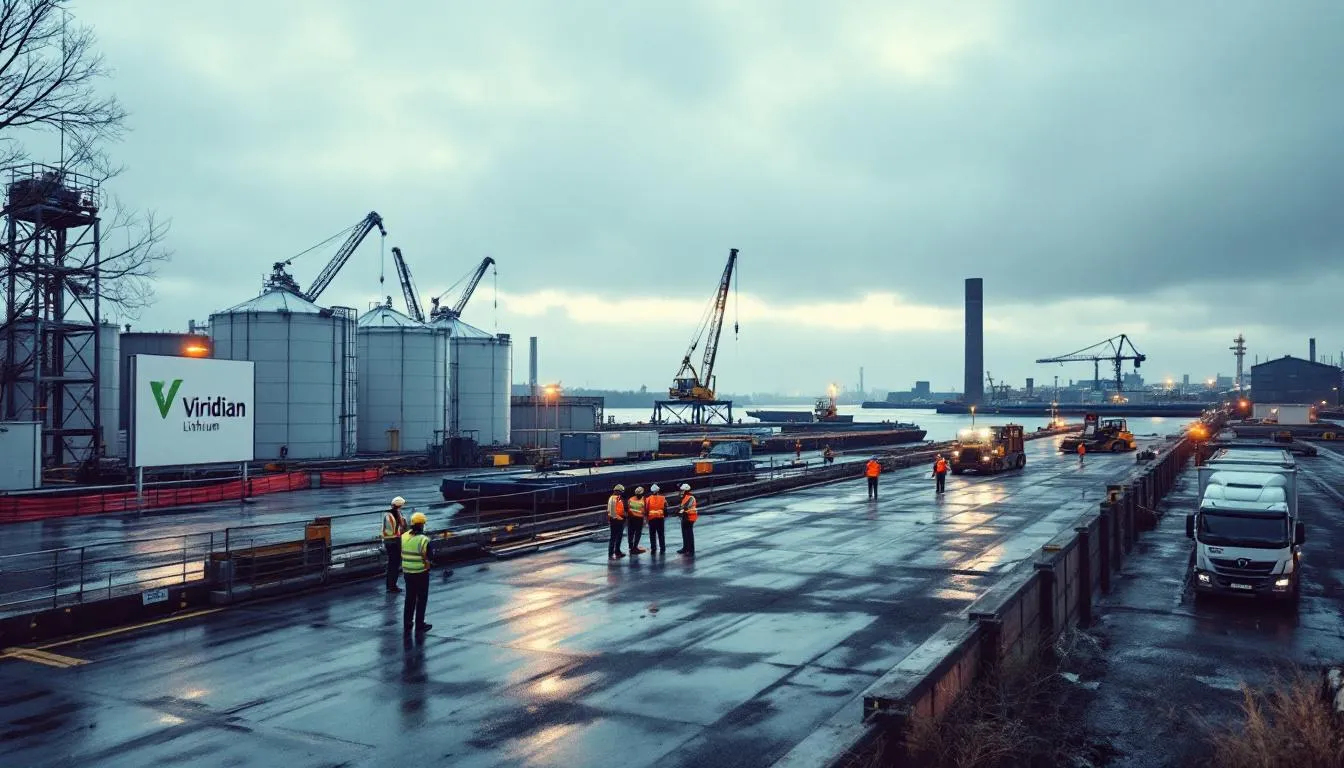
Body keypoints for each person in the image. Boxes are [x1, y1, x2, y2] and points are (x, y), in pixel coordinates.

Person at [400, 512, 433, 636]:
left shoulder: (403, 537)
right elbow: (430, 556)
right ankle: (420, 624)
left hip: (407, 572)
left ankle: (407, 623)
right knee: (421, 599)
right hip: (421, 572)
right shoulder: (424, 540)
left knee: (409, 598)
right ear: (422, 525)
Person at [381, 496, 408, 593]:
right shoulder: (393, 515)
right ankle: (392, 586)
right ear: (399, 505)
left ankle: (391, 585)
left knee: (392, 564)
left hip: (390, 541)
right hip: (393, 541)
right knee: (394, 564)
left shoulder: (389, 514)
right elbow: (396, 530)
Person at [646, 484, 667, 554]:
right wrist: (665, 515)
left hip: (651, 519)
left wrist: (646, 518)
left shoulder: (648, 499)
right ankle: (662, 548)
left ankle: (653, 548)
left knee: (652, 534)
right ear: (658, 491)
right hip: (660, 518)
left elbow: (646, 509)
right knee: (661, 534)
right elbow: (665, 507)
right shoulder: (663, 498)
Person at [676, 483, 697, 555]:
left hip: (690, 517)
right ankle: (685, 548)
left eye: (682, 490)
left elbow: (686, 507)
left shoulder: (691, 497)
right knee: (684, 533)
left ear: (685, 490)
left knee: (689, 534)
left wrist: (680, 511)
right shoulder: (685, 497)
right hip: (685, 517)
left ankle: (691, 550)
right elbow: (682, 506)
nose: (681, 492)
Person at [607, 484, 627, 560]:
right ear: (617, 491)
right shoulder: (613, 499)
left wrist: (624, 515)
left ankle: (617, 552)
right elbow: (612, 513)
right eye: (621, 492)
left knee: (619, 537)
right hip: (615, 520)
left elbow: (619, 510)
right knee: (613, 537)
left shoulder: (618, 499)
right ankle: (611, 554)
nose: (622, 493)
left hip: (619, 520)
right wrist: (621, 519)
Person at [627, 486, 648, 554]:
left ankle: (631, 546)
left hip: (631, 518)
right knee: (637, 533)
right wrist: (645, 519)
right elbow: (645, 510)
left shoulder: (631, 499)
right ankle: (635, 547)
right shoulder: (643, 500)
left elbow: (628, 508)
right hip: (638, 519)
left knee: (631, 533)